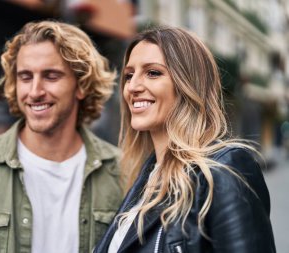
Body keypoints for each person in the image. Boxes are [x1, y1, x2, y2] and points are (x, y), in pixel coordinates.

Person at [0, 20, 124, 253]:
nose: (35, 92)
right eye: (25, 77)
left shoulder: (123, 172)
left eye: (51, 76)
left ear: (81, 85)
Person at [94, 26, 276, 253]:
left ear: (187, 83)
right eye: (129, 75)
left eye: (153, 73)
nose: (133, 86)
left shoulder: (224, 169)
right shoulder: (147, 176)